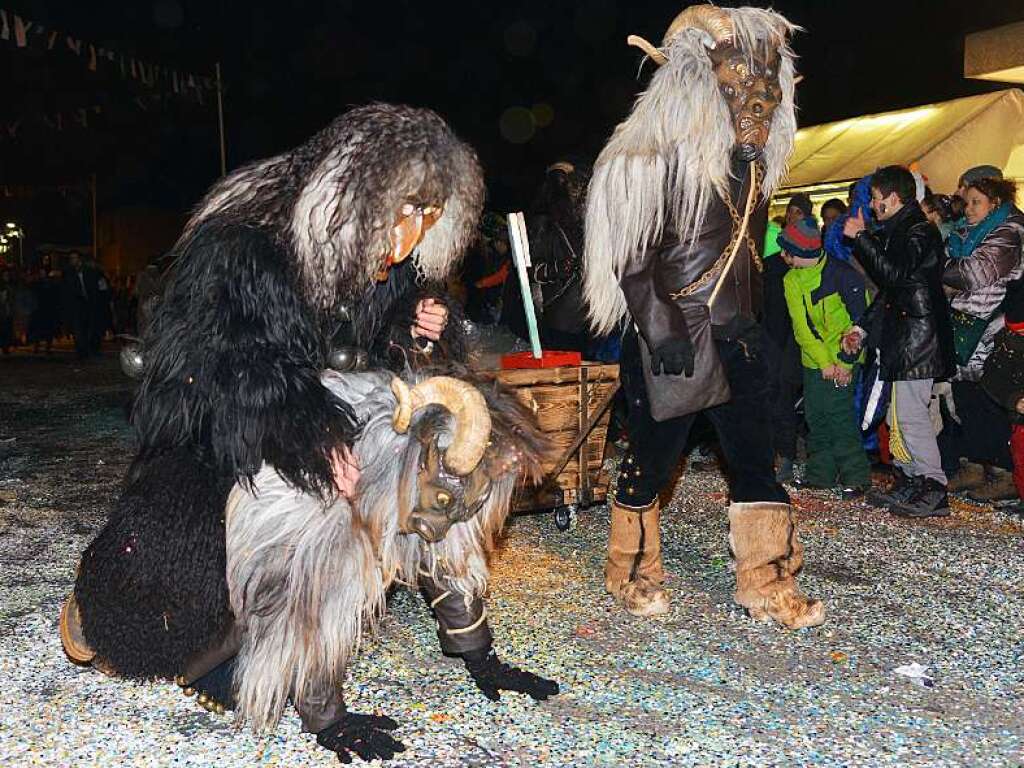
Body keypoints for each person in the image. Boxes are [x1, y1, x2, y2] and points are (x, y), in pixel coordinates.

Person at [61, 104, 556, 763]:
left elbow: (373, 344)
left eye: (427, 221)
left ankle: (464, 640)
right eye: (404, 214)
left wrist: (417, 321)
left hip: (321, 409)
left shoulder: (381, 256)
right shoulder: (244, 243)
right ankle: (112, 614)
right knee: (205, 593)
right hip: (218, 434)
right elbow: (234, 371)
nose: (409, 241)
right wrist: (311, 437)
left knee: (422, 475)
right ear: (363, 192)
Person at [583, 6, 823, 628]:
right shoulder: (654, 158)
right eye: (740, 88)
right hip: (678, 340)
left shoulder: (752, 171)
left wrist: (753, 326)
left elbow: (748, 254)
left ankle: (768, 581)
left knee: (754, 457)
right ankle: (630, 570)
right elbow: (631, 255)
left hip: (736, 338)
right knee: (655, 461)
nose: (757, 104)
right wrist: (660, 332)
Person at [842, 165, 954, 517]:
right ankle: (912, 478)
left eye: (876, 199)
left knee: (911, 416)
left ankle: (934, 486)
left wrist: (861, 238)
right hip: (905, 337)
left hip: (918, 339)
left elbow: (893, 276)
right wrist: (862, 327)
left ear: (892, 198)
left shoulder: (918, 231)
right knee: (899, 416)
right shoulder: (900, 229)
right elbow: (892, 291)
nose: (873, 206)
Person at [938, 176, 1024, 501]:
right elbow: (954, 269)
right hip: (964, 322)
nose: (969, 208)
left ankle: (1003, 472)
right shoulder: (967, 232)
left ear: (995, 203)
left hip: (993, 326)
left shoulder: (1010, 231)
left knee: (992, 397)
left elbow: (974, 273)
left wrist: (944, 270)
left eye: (977, 202)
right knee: (966, 397)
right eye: (968, 201)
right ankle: (975, 464)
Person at [780, 217, 870, 497]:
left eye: (787, 251)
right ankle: (820, 475)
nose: (782, 256)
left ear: (802, 253)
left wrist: (843, 362)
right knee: (815, 416)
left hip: (846, 359)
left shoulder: (843, 275)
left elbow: (861, 322)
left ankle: (856, 476)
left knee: (839, 417)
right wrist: (823, 363)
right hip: (815, 361)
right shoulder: (791, 279)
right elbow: (802, 328)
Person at [61, 251, 99, 359]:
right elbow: (66, 290)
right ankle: (81, 351)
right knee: (77, 329)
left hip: (88, 304)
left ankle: (87, 349)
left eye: (75, 258)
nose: (73, 260)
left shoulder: (88, 271)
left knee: (87, 328)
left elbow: (94, 288)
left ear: (79, 259)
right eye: (71, 258)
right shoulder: (68, 273)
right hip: (76, 305)